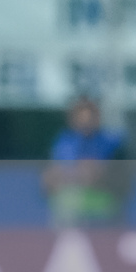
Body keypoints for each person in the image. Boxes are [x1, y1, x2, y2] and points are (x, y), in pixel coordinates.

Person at [43, 96, 125, 226]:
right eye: (81, 116)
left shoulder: (108, 141)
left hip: (101, 197)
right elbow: (56, 173)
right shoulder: (64, 141)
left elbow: (110, 173)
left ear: (97, 118)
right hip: (72, 196)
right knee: (62, 207)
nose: (86, 121)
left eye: (89, 116)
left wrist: (93, 172)